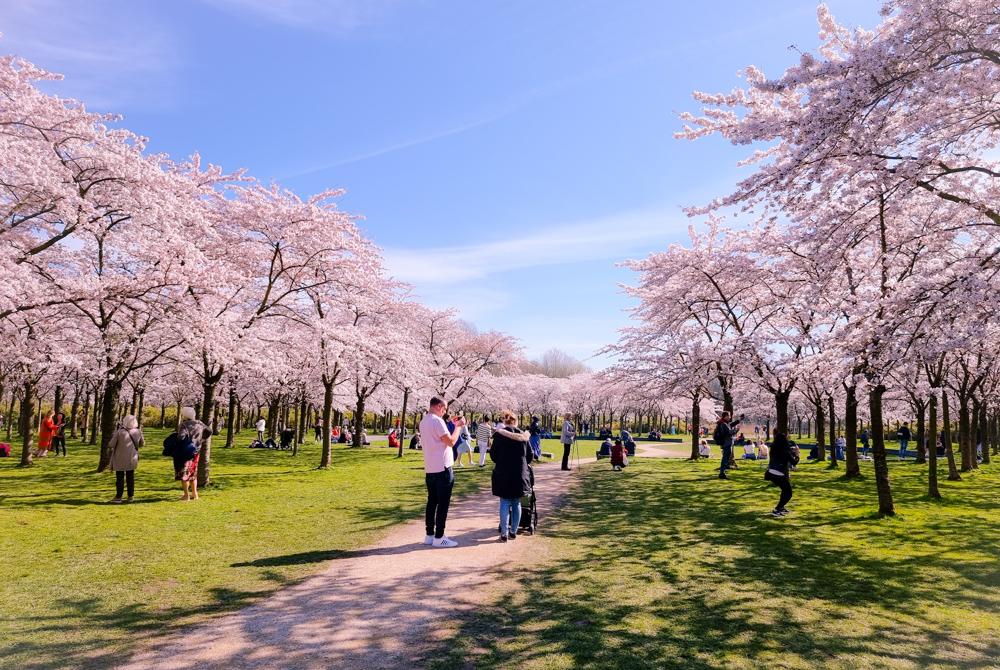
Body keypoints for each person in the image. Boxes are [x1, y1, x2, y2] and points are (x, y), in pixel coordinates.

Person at [420, 397, 465, 548]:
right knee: (443, 503)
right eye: (445, 409)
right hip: (443, 467)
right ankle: (439, 536)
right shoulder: (437, 421)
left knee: (432, 501)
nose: (445, 412)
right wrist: (458, 426)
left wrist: (451, 424)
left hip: (430, 467)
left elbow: (439, 437)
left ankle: (430, 534)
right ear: (439, 406)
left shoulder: (424, 421)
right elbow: (451, 442)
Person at [490, 410, 533, 542]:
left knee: (504, 502)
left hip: (503, 473)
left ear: (505, 421)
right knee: (516, 503)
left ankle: (504, 532)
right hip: (519, 474)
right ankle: (513, 531)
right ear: (516, 421)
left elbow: (493, 455)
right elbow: (530, 456)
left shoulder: (499, 436)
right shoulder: (523, 436)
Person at [168, 407, 211, 501]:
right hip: (196, 450)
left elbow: (181, 437)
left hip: (185, 451)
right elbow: (209, 431)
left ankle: (186, 495)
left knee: (184, 473)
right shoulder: (200, 423)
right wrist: (201, 440)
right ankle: (195, 494)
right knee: (193, 472)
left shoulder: (184, 425)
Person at [108, 415, 144, 503]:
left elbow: (111, 444)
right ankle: (130, 496)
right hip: (132, 457)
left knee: (120, 477)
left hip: (120, 457)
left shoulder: (120, 432)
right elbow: (142, 444)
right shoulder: (138, 431)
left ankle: (118, 497)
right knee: (130, 477)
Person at [765, 431, 796, 517]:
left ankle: (781, 507)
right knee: (789, 493)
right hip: (779, 473)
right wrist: (796, 455)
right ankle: (777, 509)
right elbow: (794, 462)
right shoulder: (785, 450)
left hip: (770, 472)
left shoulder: (773, 448)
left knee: (784, 489)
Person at [713, 411, 738, 479]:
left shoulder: (723, 423)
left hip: (725, 443)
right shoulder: (723, 424)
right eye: (729, 416)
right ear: (725, 416)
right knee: (725, 458)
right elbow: (728, 432)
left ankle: (722, 472)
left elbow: (731, 425)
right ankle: (722, 473)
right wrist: (736, 431)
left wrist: (739, 420)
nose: (729, 417)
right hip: (726, 443)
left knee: (725, 458)